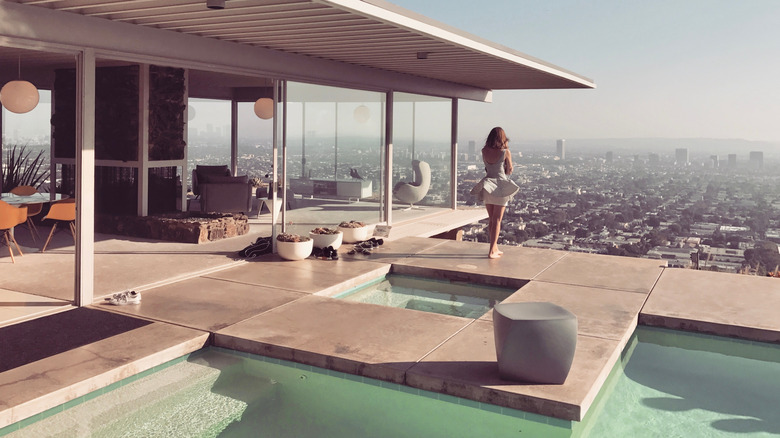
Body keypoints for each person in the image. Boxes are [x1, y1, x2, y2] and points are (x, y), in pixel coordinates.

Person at [470, 127, 519, 258]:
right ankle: (492, 250)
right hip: (501, 187)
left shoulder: (484, 151)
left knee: (492, 219)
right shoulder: (505, 152)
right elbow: (509, 170)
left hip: (487, 186)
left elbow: (487, 168)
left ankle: (495, 247)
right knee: (497, 220)